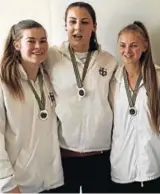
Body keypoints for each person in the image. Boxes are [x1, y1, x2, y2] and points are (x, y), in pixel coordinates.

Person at [45, 2, 117, 193]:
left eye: (85, 22)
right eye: (73, 22)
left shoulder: (108, 61)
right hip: (63, 154)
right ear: (65, 26)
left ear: (94, 27)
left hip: (100, 154)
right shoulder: (51, 56)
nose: (78, 28)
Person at [0, 19, 63, 193]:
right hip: (19, 185)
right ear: (17, 45)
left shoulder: (49, 79)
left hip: (52, 181)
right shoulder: (4, 83)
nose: (39, 46)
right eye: (31, 41)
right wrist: (6, 183)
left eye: (43, 40)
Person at [109, 21, 160, 193]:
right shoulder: (113, 79)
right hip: (121, 167)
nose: (127, 51)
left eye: (133, 46)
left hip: (152, 164)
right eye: (123, 45)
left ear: (145, 46)